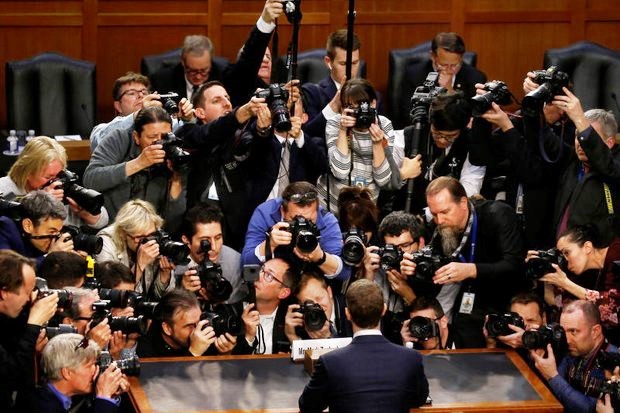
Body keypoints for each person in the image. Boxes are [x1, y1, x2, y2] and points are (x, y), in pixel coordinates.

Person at [401, 176, 525, 348]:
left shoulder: (497, 214)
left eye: (445, 212)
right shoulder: (442, 229)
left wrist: (472, 270)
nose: (440, 220)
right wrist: (413, 270)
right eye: (435, 214)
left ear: (463, 202)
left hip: (505, 304)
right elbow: (433, 278)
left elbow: (515, 265)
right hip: (469, 309)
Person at [298, 279, 429, 413]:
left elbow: (308, 406)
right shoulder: (411, 358)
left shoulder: (329, 362)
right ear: (384, 310)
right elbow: (419, 399)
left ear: (347, 313)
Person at [179, 81, 264, 250]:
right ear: (200, 113)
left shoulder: (244, 136)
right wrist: (241, 113)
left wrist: (264, 128)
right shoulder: (190, 133)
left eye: (227, 98)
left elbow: (260, 146)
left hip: (238, 233)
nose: (226, 103)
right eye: (217, 100)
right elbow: (209, 133)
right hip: (195, 228)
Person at [83, 107, 187, 230]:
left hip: (150, 235)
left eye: (165, 137)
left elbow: (173, 223)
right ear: (136, 137)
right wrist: (139, 163)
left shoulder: (174, 152)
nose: (160, 143)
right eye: (152, 137)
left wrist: (176, 180)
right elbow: (91, 179)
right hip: (111, 231)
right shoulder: (119, 139)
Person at [386, 91, 488, 215]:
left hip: (448, 214)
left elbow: (470, 187)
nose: (442, 140)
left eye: (451, 136)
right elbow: (384, 183)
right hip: (406, 213)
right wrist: (402, 174)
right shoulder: (406, 137)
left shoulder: (471, 144)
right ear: (431, 123)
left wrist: (432, 213)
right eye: (437, 133)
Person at [316, 78, 399, 213]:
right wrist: (343, 130)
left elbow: (383, 180)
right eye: (350, 107)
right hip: (332, 206)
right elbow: (340, 171)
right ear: (342, 108)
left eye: (361, 106)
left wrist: (377, 143)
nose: (358, 113)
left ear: (373, 103)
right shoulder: (335, 123)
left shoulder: (384, 125)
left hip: (365, 209)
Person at [529, 225, 620, 344]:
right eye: (561, 256)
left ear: (587, 247)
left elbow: (613, 309)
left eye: (566, 252)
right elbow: (561, 304)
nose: (565, 260)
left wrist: (565, 283)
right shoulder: (590, 273)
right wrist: (544, 274)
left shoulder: (617, 253)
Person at [242, 181, 347, 281]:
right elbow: (245, 266)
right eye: (295, 220)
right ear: (282, 211)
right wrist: (269, 245)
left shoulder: (327, 221)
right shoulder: (265, 213)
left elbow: (344, 274)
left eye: (309, 221)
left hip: (310, 280)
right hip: (274, 279)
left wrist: (320, 257)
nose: (302, 225)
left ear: (317, 211)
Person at [245, 84, 327, 211]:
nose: (285, 107)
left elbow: (321, 166)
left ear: (304, 117)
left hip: (300, 212)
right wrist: (264, 127)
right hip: (261, 214)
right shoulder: (258, 138)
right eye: (281, 103)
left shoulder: (311, 143)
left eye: (291, 102)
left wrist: (299, 136)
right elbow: (255, 152)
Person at [0, 136, 108, 229]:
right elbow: (15, 223)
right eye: (48, 177)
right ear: (27, 171)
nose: (55, 181)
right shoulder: (5, 189)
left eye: (59, 175)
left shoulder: (60, 188)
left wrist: (83, 212)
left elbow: (102, 220)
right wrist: (42, 201)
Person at [530, 300, 618, 413]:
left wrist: (552, 376)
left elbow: (587, 408)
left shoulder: (612, 361)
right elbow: (554, 390)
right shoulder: (574, 349)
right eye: (563, 331)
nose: (566, 339)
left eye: (573, 331)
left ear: (595, 331)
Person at [0, 250, 58, 411]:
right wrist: (34, 323)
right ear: (4, 292)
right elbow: (9, 376)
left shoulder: (7, 317)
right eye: (27, 292)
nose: (28, 299)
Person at [396, 32, 486, 129]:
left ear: (461, 58)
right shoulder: (414, 75)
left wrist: (450, 91)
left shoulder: (476, 78)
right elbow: (407, 114)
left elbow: (474, 119)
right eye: (443, 65)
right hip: (425, 132)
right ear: (432, 56)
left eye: (455, 65)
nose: (449, 69)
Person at [94, 200, 176, 301]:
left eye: (151, 235)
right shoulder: (105, 243)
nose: (148, 241)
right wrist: (140, 266)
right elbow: (113, 295)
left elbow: (164, 298)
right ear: (123, 233)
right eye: (140, 237)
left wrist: (165, 273)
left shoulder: (155, 239)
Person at [28, 333, 128, 413]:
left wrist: (109, 397)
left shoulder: (64, 396)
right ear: (67, 373)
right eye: (90, 366)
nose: (96, 369)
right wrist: (104, 397)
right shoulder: (43, 408)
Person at [176, 203, 245, 304]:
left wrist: (218, 304)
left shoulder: (235, 263)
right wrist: (181, 293)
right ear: (186, 240)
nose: (213, 247)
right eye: (205, 240)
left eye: (218, 238)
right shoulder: (172, 264)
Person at [136, 289, 235, 357]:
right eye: (190, 326)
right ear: (167, 328)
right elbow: (162, 384)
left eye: (200, 321)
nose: (197, 330)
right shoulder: (146, 347)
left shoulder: (205, 334)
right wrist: (194, 353)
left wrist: (224, 355)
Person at [301, 29, 361, 139]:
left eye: (354, 63)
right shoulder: (312, 93)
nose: (350, 70)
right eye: (343, 64)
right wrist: (334, 105)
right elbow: (306, 136)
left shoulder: (372, 95)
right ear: (328, 62)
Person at [234, 257, 295, 355]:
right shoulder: (234, 312)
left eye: (269, 275)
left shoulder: (290, 320)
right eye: (261, 269)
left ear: (283, 293)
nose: (258, 276)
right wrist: (248, 337)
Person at [0, 190, 74, 264]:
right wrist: (51, 257)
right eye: (52, 231)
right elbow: (9, 272)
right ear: (28, 225)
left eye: (58, 232)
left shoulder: (37, 240)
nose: (55, 239)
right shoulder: (4, 228)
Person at [284, 271, 352, 342]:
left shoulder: (351, 309)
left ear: (329, 292)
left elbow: (358, 349)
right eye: (309, 303)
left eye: (319, 298)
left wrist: (330, 337)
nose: (317, 307)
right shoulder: (301, 321)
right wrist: (292, 336)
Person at [150, 35, 219, 101]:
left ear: (211, 63)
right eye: (193, 71)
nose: (198, 77)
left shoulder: (223, 78)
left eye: (204, 70)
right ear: (182, 62)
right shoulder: (162, 81)